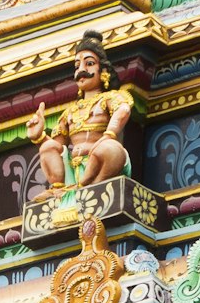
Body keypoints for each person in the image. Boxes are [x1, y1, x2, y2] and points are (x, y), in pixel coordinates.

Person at [27, 31, 133, 194]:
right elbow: (57, 146)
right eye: (77, 66)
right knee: (47, 146)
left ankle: (92, 186)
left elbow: (123, 110)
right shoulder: (70, 112)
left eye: (89, 64)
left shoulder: (110, 98)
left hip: (100, 163)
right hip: (72, 169)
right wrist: (39, 136)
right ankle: (58, 188)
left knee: (111, 149)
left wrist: (108, 135)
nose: (81, 70)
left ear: (103, 71)